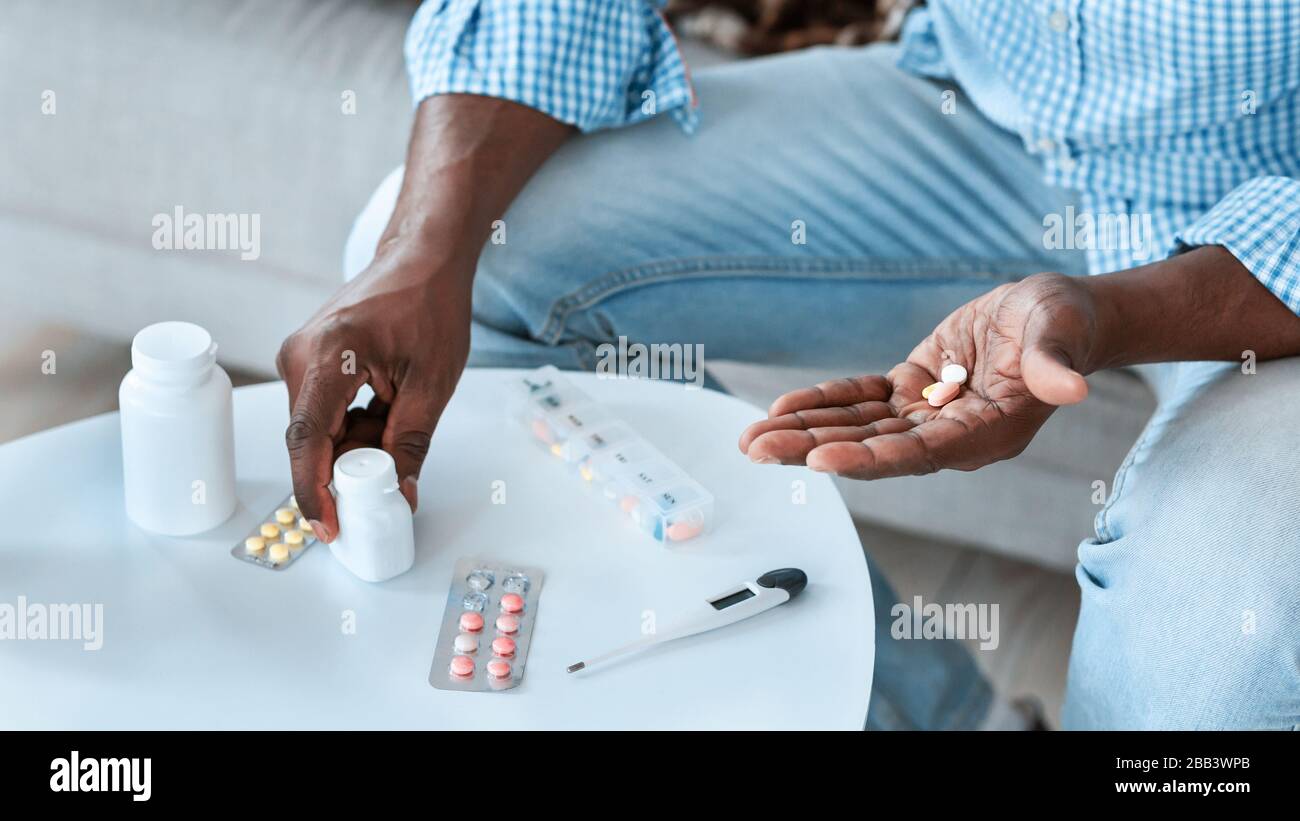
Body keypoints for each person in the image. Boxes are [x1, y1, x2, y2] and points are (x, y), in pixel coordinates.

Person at [277, 0, 1300, 729]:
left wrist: (1111, 311)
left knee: (1214, 644)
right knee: (469, 263)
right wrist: (422, 252)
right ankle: (944, 721)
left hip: (1273, 216)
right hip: (992, 114)